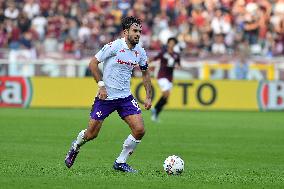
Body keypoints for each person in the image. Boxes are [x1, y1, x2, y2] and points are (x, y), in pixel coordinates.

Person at [65, 16, 152, 173]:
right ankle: (75, 146)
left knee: (140, 130)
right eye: (135, 31)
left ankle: (120, 162)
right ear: (126, 32)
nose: (138, 34)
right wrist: (101, 86)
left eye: (140, 31)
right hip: (106, 97)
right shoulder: (114, 46)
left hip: (125, 97)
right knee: (91, 134)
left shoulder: (140, 52)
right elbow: (92, 63)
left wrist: (148, 96)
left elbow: (145, 73)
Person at [151, 37, 180, 121]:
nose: (171, 44)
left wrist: (177, 66)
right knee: (166, 94)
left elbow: (178, 64)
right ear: (168, 43)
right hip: (162, 75)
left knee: (166, 97)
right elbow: (155, 59)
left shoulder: (176, 55)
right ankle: (155, 108)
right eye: (170, 42)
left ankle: (156, 113)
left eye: (173, 43)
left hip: (170, 77)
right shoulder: (163, 53)